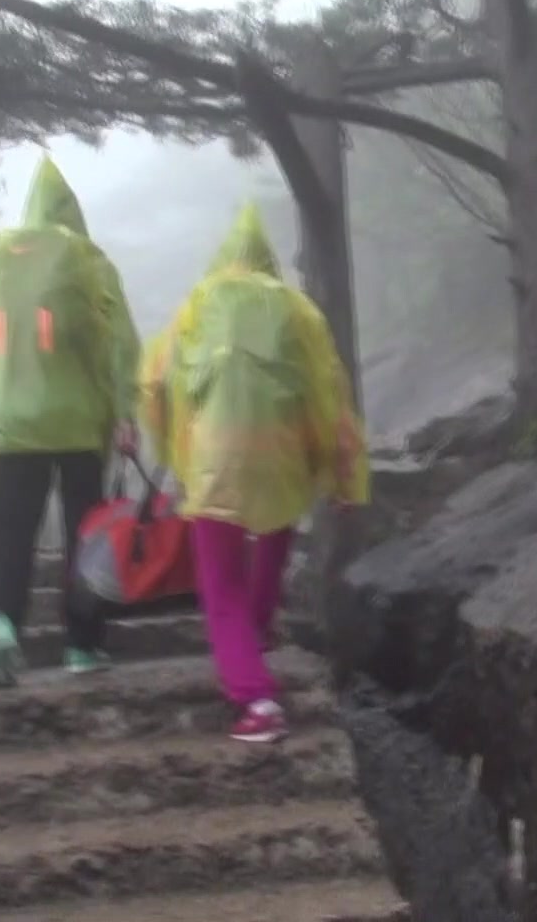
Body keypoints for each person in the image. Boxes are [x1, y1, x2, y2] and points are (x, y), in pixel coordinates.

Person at [139, 203, 368, 744]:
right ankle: (260, 627)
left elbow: (153, 383)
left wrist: (171, 452)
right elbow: (329, 393)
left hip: (214, 456)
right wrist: (342, 474)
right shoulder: (297, 309)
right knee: (271, 537)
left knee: (220, 586)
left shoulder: (197, 304)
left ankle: (257, 700)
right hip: (281, 452)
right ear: (268, 262)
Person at [0, 155, 139, 689]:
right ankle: (81, 643)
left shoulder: (0, 260)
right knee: (86, 531)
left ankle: (3, 627)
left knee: (10, 529)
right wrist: (125, 410)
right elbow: (119, 343)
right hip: (77, 418)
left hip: (9, 420)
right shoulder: (88, 259)